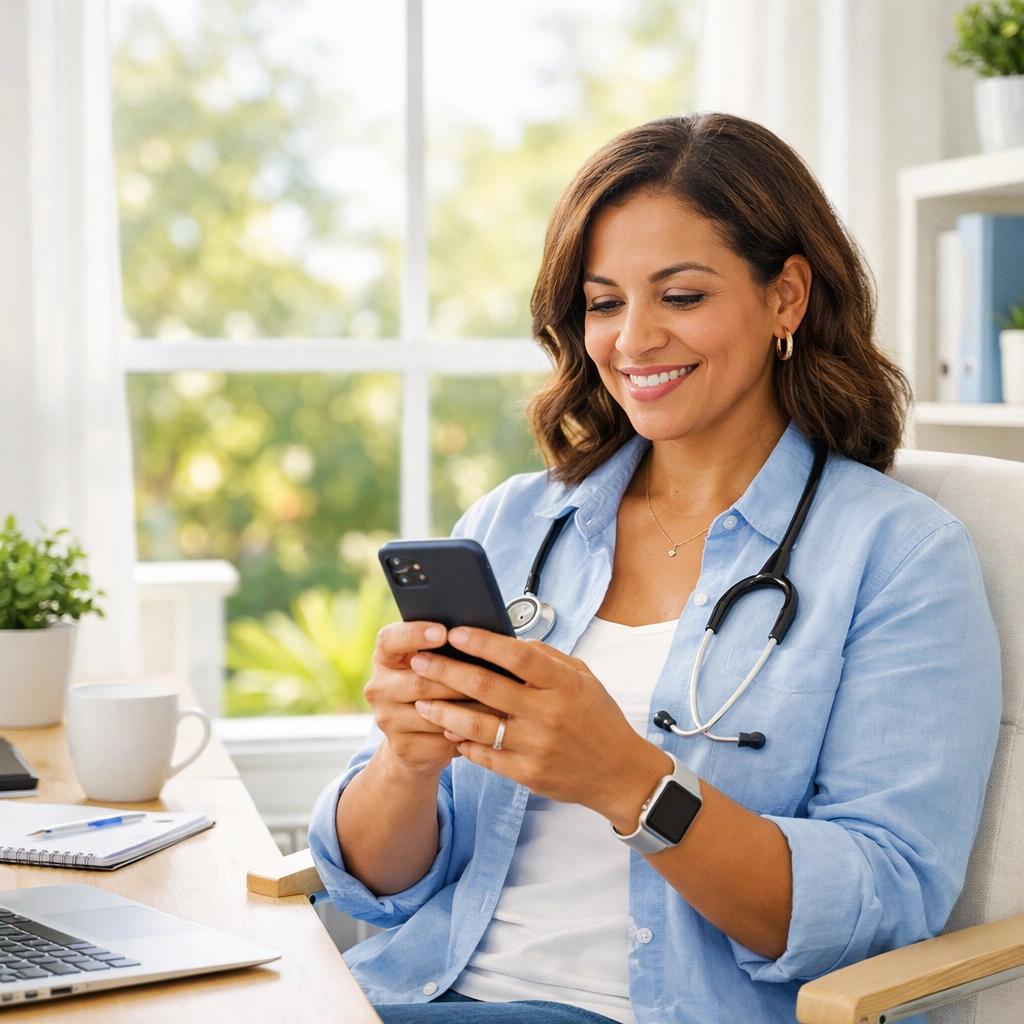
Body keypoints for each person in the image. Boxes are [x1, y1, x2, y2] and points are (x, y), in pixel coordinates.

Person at [308, 113, 1002, 1024]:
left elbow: (881, 906)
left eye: (680, 297)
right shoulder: (517, 523)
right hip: (417, 996)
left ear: (786, 296)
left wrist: (630, 782)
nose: (633, 341)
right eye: (603, 303)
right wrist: (406, 763)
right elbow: (370, 888)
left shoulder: (897, 556)